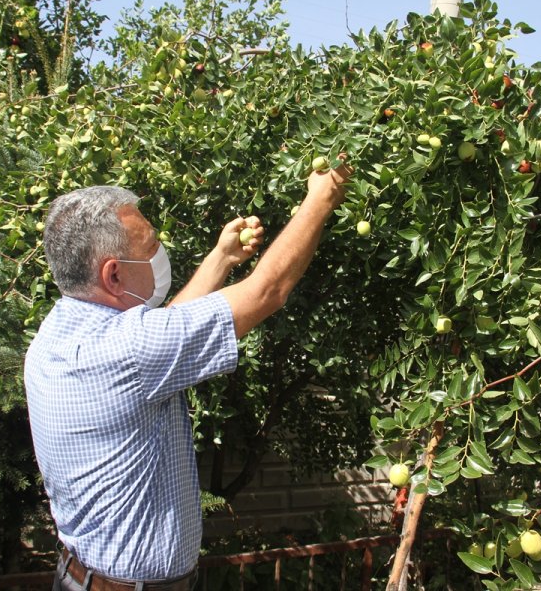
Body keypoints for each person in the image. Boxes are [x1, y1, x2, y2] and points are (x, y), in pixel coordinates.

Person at [24, 158, 352, 591]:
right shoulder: (128, 350)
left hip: (81, 576)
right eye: (150, 248)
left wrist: (221, 258)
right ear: (114, 273)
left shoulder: (60, 334)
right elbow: (266, 292)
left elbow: (160, 339)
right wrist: (320, 198)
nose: (160, 255)